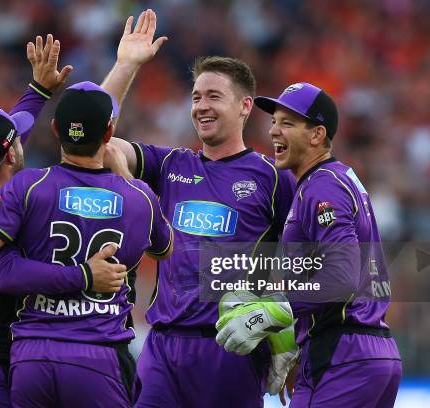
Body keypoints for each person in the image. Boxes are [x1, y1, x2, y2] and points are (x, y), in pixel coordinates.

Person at [100, 9, 296, 407]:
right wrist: (125, 66)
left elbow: (314, 259)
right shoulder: (172, 165)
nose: (201, 106)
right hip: (163, 346)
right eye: (195, 97)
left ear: (244, 106)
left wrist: (286, 330)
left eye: (213, 96)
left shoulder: (273, 178)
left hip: (231, 348)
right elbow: (95, 141)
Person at [0, 81, 174, 407]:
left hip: (32, 356)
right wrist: (128, 178)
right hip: (99, 354)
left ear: (54, 130)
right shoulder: (139, 197)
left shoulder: (27, 186)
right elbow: (165, 248)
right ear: (109, 135)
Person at [0, 34, 126, 408]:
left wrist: (38, 89)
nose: (24, 141)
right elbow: (12, 272)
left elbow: (11, 130)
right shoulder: (3, 207)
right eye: (17, 140)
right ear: (11, 154)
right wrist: (84, 275)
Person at [215, 82, 402, 407]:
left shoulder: (321, 188)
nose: (274, 131)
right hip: (370, 353)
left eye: (287, 123)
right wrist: (291, 341)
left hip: (342, 355)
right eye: (274, 122)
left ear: (317, 135)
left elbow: (341, 278)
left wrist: (271, 310)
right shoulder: (337, 179)